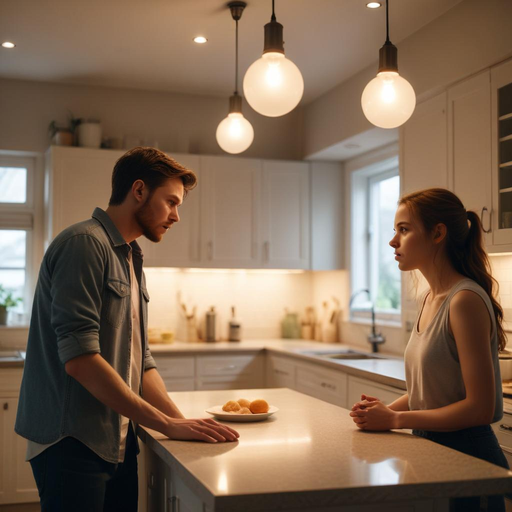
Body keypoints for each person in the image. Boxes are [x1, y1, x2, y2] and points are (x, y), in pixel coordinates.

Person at [15, 147, 239, 512]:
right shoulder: (85, 245)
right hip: (72, 442)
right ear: (138, 191)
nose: (176, 216)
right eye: (170, 202)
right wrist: (165, 423)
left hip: (117, 438)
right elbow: (81, 360)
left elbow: (141, 361)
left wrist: (182, 423)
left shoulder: (130, 257)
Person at [350, 188, 509, 512]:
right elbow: (435, 390)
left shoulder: (463, 300)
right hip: (430, 451)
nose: (393, 241)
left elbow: (479, 409)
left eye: (404, 230)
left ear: (438, 233)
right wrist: (380, 413)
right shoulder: (429, 299)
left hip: (467, 458)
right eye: (395, 230)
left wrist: (394, 419)